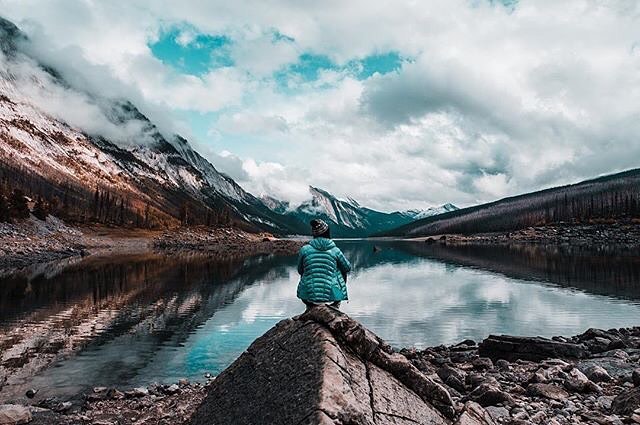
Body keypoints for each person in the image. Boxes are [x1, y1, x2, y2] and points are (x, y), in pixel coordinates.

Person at [297, 219, 351, 309]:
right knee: (341, 269)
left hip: (307, 296)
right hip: (332, 295)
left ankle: (309, 303)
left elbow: (300, 270)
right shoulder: (335, 250)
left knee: (306, 270)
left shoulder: (304, 249)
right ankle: (336, 304)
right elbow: (347, 268)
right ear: (327, 233)